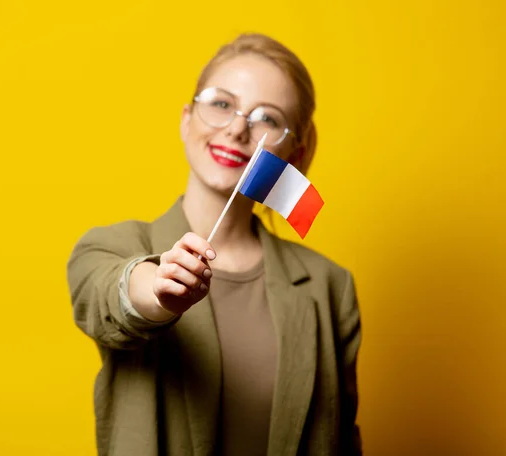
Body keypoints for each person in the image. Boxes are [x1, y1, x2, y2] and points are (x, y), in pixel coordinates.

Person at [66, 33, 363, 456]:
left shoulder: (329, 286)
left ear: (294, 153)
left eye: (267, 118)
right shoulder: (108, 245)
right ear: (187, 119)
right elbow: (111, 296)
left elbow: (341, 438)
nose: (239, 128)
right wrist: (159, 288)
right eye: (221, 104)